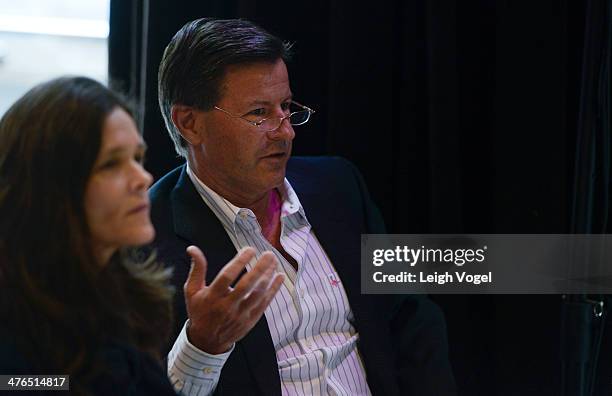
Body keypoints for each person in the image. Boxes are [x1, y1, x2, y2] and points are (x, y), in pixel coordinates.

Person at [153, 18, 456, 395]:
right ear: (189, 123)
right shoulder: (148, 239)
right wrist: (202, 346)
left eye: (285, 107)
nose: (286, 131)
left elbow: (414, 318)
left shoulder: (339, 187)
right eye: (259, 113)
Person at [0, 76, 282, 395]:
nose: (142, 177)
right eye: (111, 164)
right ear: (50, 185)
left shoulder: (123, 291)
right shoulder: (14, 325)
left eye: (137, 158)